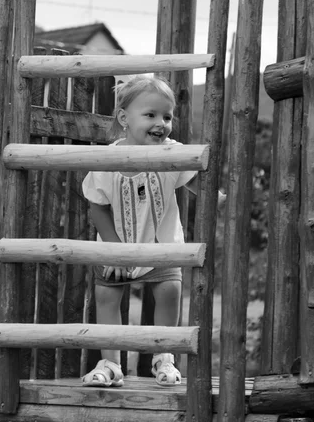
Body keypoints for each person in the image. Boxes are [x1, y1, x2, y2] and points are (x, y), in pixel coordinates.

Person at [81, 76, 225, 388]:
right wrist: (115, 250)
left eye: (167, 116)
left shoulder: (173, 153)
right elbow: (98, 207)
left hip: (162, 247)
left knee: (169, 293)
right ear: (124, 119)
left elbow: (193, 178)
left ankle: (164, 358)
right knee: (106, 299)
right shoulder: (106, 160)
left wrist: (217, 196)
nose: (161, 123)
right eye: (150, 115)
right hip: (114, 247)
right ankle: (110, 362)